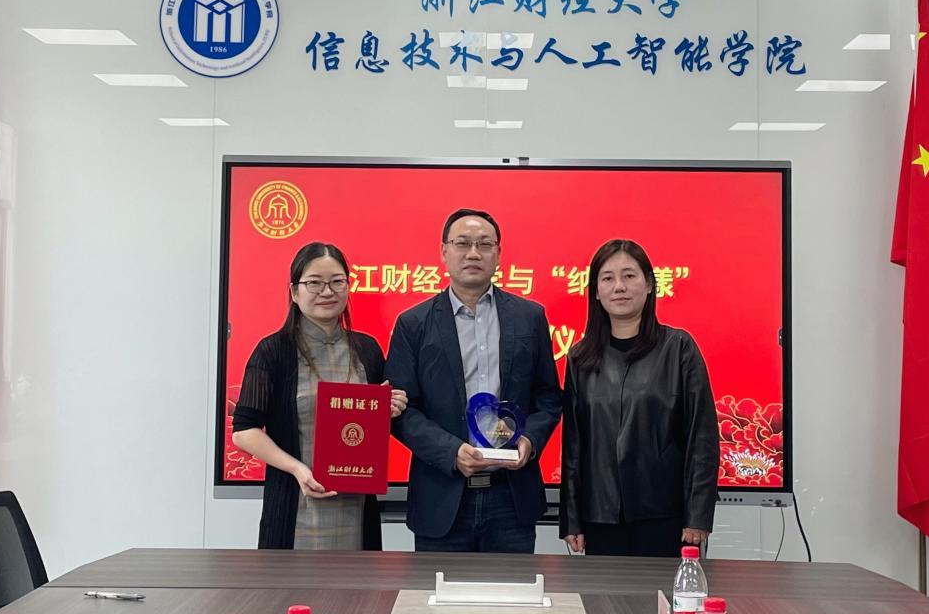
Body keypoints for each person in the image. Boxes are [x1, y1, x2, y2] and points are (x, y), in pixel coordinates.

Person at [386, 208, 562, 553]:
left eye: (484, 244)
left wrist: (530, 440)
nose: (473, 253)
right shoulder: (413, 323)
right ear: (444, 252)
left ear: (498, 253)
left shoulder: (529, 317)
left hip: (511, 496)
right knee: (438, 591)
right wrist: (451, 452)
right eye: (462, 243)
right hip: (442, 495)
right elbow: (402, 412)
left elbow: (548, 398)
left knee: (512, 590)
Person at [232, 241, 407, 550]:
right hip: (295, 506)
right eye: (314, 283)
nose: (327, 292)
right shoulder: (273, 351)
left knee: (358, 580)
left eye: (337, 282)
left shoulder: (367, 350)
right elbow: (244, 432)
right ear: (294, 291)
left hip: (356, 508)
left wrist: (390, 408)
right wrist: (297, 469)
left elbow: (373, 429)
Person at [560, 238, 719, 557]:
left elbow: (701, 438)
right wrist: (572, 518)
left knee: (664, 592)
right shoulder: (581, 357)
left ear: (648, 284)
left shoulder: (678, 348)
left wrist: (698, 515)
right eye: (607, 278)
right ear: (596, 291)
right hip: (601, 515)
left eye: (629, 276)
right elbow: (574, 445)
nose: (619, 286)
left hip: (666, 514)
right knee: (603, 592)